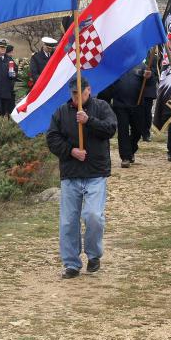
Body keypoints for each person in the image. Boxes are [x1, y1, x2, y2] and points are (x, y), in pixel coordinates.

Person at [46, 77, 117, 279]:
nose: (76, 97)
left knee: (93, 216)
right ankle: (71, 264)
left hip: (96, 171)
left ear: (89, 90)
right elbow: (52, 138)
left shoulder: (101, 107)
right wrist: (71, 151)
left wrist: (89, 121)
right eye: (73, 94)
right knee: (68, 221)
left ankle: (94, 255)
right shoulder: (61, 111)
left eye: (80, 93)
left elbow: (111, 129)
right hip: (71, 172)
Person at [102, 62, 154, 168]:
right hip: (120, 105)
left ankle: (131, 149)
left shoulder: (142, 66)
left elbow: (150, 84)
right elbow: (108, 85)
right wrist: (105, 101)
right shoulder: (116, 66)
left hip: (138, 104)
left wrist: (149, 77)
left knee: (138, 130)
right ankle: (125, 157)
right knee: (123, 131)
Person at [140, 53, 159, 142]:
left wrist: (149, 74)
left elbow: (155, 73)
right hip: (136, 88)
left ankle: (146, 134)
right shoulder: (137, 54)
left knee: (146, 113)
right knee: (137, 112)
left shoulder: (153, 57)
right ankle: (137, 131)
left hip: (148, 90)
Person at [4, 44, 18, 115]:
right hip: (8, 87)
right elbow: (11, 74)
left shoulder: (8, 59)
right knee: (9, 107)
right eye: (12, 52)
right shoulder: (8, 60)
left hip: (9, 87)